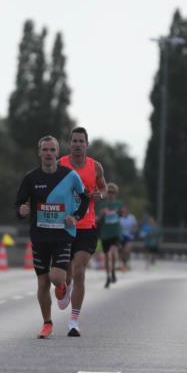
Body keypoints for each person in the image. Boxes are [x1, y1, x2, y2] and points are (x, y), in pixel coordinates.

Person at [15, 135, 89, 338]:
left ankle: (64, 285)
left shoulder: (70, 175)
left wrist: (75, 216)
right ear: (39, 153)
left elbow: (84, 200)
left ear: (58, 153)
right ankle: (47, 323)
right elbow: (19, 204)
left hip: (62, 235)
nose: (48, 154)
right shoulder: (31, 178)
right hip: (39, 236)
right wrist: (21, 211)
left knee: (56, 277)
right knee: (42, 283)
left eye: (52, 150)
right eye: (45, 150)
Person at [56, 126, 107, 337]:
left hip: (86, 226)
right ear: (70, 144)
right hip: (64, 225)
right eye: (74, 141)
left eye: (81, 141)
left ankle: (74, 321)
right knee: (65, 273)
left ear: (87, 144)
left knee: (79, 270)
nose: (78, 145)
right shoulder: (61, 164)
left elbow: (102, 187)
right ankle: (64, 288)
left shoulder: (95, 167)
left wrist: (99, 195)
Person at [97, 183, 123, 288]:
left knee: (113, 251)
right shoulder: (102, 205)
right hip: (105, 234)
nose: (111, 194)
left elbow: (124, 214)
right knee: (107, 256)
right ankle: (108, 276)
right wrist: (101, 214)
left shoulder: (119, 204)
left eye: (113, 192)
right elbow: (97, 219)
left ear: (116, 194)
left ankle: (113, 271)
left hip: (115, 233)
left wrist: (119, 212)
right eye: (109, 192)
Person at [119, 205, 138, 270]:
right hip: (120, 236)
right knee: (121, 251)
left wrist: (133, 230)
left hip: (129, 236)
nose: (124, 211)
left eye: (125, 210)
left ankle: (127, 263)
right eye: (123, 210)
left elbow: (135, 226)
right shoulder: (119, 217)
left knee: (127, 250)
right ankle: (122, 263)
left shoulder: (132, 217)